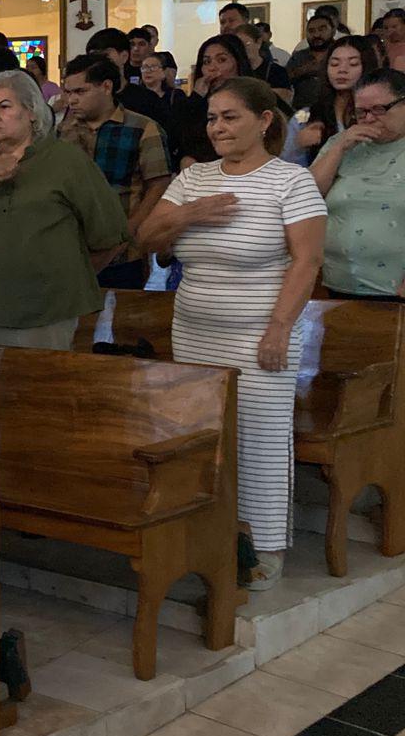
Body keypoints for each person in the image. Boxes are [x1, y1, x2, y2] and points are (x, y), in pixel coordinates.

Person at [136, 77, 327, 590]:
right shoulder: (193, 180)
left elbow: (307, 261)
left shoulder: (291, 182)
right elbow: (146, 237)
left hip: (262, 333)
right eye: (212, 118)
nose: (217, 127)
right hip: (196, 331)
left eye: (230, 117)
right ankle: (218, 533)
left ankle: (264, 546)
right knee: (208, 437)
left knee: (260, 439)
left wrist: (279, 330)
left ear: (265, 122)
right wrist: (191, 211)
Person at [0, 71, 128, 349]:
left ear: (32, 113)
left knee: (37, 391)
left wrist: (64, 278)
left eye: (4, 106)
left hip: (46, 312)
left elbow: (110, 235)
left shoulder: (66, 161)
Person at [58, 55, 172, 289]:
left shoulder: (142, 127)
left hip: (123, 250)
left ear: (107, 87)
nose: (72, 100)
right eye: (69, 93)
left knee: (121, 317)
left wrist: (131, 228)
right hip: (71, 245)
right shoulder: (64, 131)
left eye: (80, 92)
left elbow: (158, 184)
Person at [309, 69, 405, 301]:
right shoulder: (341, 144)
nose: (370, 118)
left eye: (380, 109)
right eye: (362, 112)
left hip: (395, 289)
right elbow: (307, 196)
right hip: (336, 282)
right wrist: (339, 148)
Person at [290, 35, 377, 166]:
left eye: (353, 64)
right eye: (334, 64)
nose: (342, 70)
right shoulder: (305, 117)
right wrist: (298, 146)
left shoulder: (377, 114)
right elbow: (284, 166)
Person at [172, 34, 255, 170]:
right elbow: (181, 140)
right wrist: (196, 98)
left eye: (221, 60)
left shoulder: (256, 96)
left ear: (238, 62)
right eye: (206, 62)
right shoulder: (198, 102)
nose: (212, 68)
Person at [86, 27, 169, 124]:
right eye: (94, 56)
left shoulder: (146, 100)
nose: (99, 61)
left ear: (124, 56)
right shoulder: (86, 100)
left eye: (106, 55)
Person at [235, 24, 294, 106]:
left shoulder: (276, 71)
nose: (243, 49)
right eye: (239, 46)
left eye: (247, 44)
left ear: (258, 42)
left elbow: (284, 96)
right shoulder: (235, 71)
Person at [289, 13, 338, 111]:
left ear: (333, 31)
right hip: (302, 113)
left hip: (335, 111)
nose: (316, 35)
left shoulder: (341, 53)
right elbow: (284, 79)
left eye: (322, 29)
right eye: (311, 31)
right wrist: (303, 71)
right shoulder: (298, 56)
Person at [138, 51, 187, 131]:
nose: (148, 71)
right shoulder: (136, 97)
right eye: (144, 67)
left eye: (153, 67)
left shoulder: (175, 95)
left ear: (164, 72)